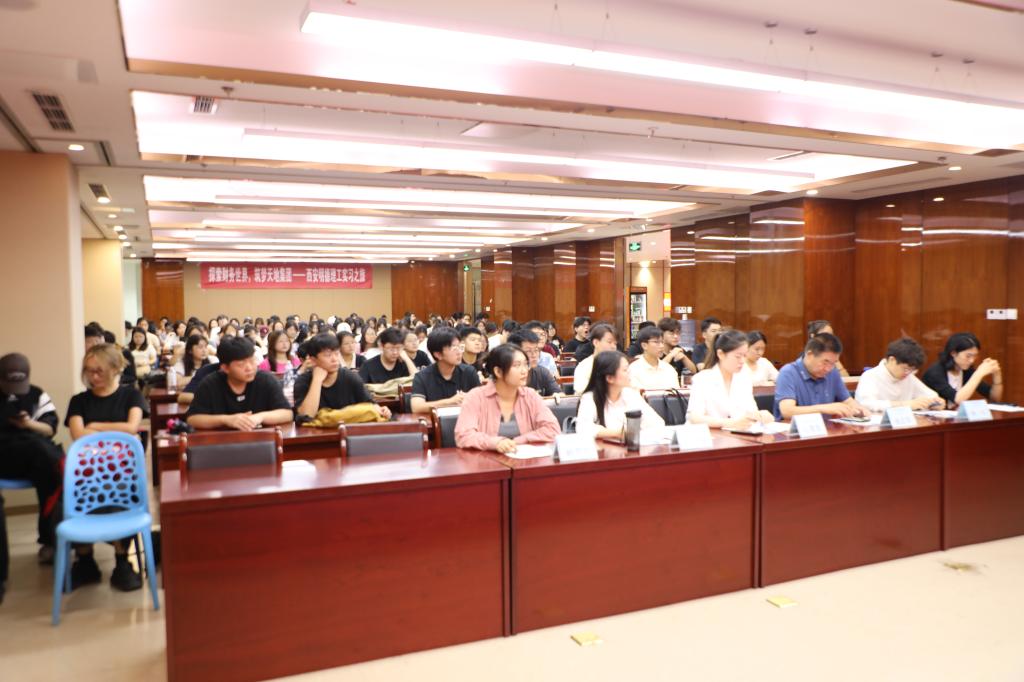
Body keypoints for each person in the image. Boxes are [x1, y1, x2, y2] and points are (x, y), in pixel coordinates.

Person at [65, 343, 148, 591]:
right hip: (87, 471)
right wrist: (115, 431)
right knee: (72, 497)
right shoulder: (79, 401)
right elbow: (78, 435)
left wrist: (95, 426)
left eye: (98, 371)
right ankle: (85, 560)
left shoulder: (131, 396)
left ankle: (122, 561)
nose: (93, 376)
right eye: (88, 371)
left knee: (122, 494)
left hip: (122, 470)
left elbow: (132, 428)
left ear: (115, 368)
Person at [0, 354, 61, 572]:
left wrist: (28, 424)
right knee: (45, 455)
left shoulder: (37, 394)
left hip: (35, 455)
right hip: (4, 456)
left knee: (53, 469)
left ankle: (51, 540)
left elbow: (50, 429)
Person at [454, 344, 560, 452]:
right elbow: (464, 435)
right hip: (486, 459)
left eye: (525, 364)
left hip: (524, 459)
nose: (524, 371)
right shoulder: (476, 397)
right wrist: (495, 443)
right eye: (517, 365)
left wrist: (518, 441)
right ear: (498, 371)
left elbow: (553, 430)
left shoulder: (530, 396)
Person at [186, 337, 293, 431]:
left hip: (260, 441)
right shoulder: (210, 384)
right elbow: (192, 419)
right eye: (241, 364)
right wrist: (226, 420)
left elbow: (287, 413)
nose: (249, 368)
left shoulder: (266, 380)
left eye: (252, 361)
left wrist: (259, 417)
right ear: (225, 368)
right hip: (221, 442)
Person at [687, 330, 774, 428]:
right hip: (709, 435)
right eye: (738, 356)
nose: (742, 361)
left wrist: (760, 415)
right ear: (721, 354)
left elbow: (751, 412)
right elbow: (694, 418)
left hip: (738, 434)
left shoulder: (744, 379)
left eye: (744, 356)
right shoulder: (703, 379)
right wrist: (730, 423)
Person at [774, 333, 868, 420]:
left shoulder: (833, 373)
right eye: (825, 362)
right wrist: (825, 408)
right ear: (810, 354)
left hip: (828, 429)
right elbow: (787, 411)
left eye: (833, 363)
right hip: (795, 431)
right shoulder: (788, 372)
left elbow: (848, 401)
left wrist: (859, 409)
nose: (828, 369)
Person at [294, 334, 390, 419]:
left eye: (336, 354)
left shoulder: (350, 377)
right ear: (313, 359)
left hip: (349, 430)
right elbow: (306, 415)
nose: (334, 359)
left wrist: (382, 411)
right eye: (328, 355)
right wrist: (317, 380)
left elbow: (370, 404)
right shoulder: (303, 381)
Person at [576, 351, 664, 440]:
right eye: (625, 370)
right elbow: (583, 428)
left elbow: (657, 423)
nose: (630, 373)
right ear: (610, 378)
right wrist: (619, 433)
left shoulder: (631, 394)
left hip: (632, 446)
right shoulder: (589, 398)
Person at [856, 338, 943, 412]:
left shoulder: (909, 377)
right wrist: (905, 404)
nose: (908, 373)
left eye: (912, 370)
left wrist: (935, 402)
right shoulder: (870, 376)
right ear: (892, 360)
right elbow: (866, 404)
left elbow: (930, 395)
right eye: (905, 369)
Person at [921, 332, 1004, 407]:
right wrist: (979, 373)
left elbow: (994, 398)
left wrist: (997, 374)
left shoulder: (966, 370)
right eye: (968, 356)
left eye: (975, 356)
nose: (972, 360)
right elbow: (958, 399)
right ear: (953, 353)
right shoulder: (935, 373)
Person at [410, 328, 481, 414]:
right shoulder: (422, 377)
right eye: (454, 348)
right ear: (438, 354)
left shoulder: (469, 372)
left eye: (460, 347)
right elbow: (416, 407)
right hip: (435, 421)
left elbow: (481, 402)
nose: (459, 352)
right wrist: (450, 402)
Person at [508, 329, 560, 397]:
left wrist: (557, 396)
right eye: (528, 351)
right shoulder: (506, 376)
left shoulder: (542, 372)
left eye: (536, 350)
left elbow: (559, 394)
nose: (534, 355)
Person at [628, 326, 680, 390]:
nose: (661, 346)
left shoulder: (669, 369)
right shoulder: (634, 369)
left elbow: (676, 393)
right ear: (644, 345)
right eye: (656, 342)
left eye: (662, 342)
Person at [573, 324, 619, 394]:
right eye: (609, 342)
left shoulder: (619, 365)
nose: (613, 347)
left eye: (615, 343)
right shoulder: (584, 367)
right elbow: (582, 392)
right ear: (596, 342)